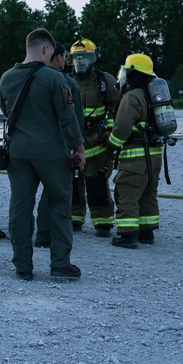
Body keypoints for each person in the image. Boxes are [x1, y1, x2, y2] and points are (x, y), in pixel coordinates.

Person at [0, 29, 84, 280]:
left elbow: (7, 111)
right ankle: (60, 264)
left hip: (18, 152)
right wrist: (79, 149)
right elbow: (68, 119)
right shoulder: (55, 78)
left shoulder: (6, 78)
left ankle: (22, 266)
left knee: (20, 207)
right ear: (46, 49)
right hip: (52, 153)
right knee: (59, 205)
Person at [106, 54, 163, 249]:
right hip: (154, 156)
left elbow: (121, 128)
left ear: (133, 74)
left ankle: (127, 235)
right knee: (148, 192)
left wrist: (111, 146)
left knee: (127, 191)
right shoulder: (151, 94)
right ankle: (147, 233)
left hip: (135, 156)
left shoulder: (132, 96)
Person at [67, 38, 121, 237]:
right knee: (72, 183)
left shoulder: (104, 81)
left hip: (96, 142)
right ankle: (74, 219)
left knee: (96, 183)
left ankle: (103, 222)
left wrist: (109, 128)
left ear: (94, 59)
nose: (80, 63)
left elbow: (117, 106)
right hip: (72, 141)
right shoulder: (65, 81)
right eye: (77, 59)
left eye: (85, 58)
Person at [34, 40, 84, 248]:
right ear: (59, 57)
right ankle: (46, 235)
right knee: (54, 192)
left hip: (30, 145)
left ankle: (33, 235)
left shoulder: (31, 78)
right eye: (65, 57)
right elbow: (75, 118)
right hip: (58, 146)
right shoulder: (67, 83)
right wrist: (78, 146)